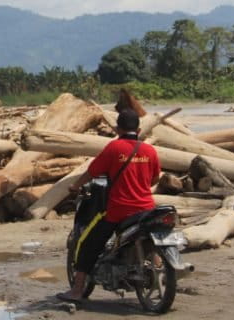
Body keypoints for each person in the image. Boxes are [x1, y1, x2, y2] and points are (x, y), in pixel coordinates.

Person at [57, 108, 161, 303]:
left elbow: (92, 172)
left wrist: (75, 186)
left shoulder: (114, 148)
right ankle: (160, 273)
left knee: (88, 243)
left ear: (118, 129)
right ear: (139, 130)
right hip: (147, 209)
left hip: (119, 210)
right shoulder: (149, 150)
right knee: (151, 241)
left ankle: (77, 290)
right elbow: (154, 179)